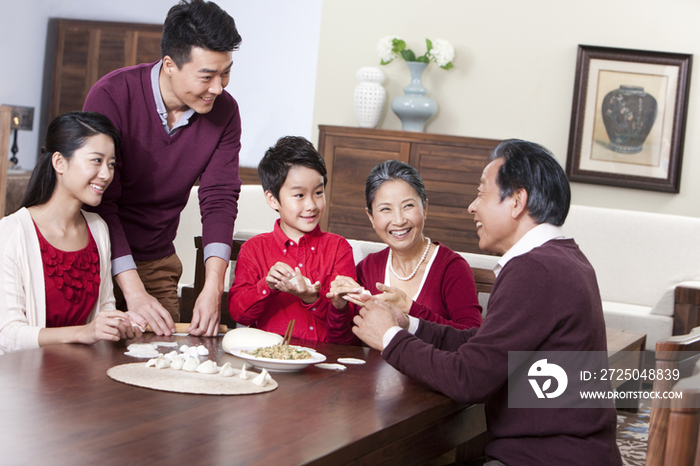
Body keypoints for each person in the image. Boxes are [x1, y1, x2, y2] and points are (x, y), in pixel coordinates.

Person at [352, 139, 622, 466]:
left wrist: (389, 338)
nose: (472, 206)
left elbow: (468, 379)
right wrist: (409, 324)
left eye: (481, 193)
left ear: (517, 201)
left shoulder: (535, 270)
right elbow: (481, 345)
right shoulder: (563, 258)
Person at [83, 0, 242, 337]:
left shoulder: (225, 111)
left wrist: (213, 287)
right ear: (170, 64)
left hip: (156, 261)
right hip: (95, 257)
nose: (218, 87)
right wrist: (133, 293)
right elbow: (102, 202)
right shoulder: (112, 95)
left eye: (225, 72)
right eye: (207, 76)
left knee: (161, 365)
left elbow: (219, 198)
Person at [0, 111, 140, 354]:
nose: (106, 174)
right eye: (96, 160)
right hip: (24, 385)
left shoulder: (97, 228)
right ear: (59, 162)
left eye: (111, 164)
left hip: (82, 379)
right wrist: (83, 333)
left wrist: (119, 325)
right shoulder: (12, 232)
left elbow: (104, 313)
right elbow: (8, 335)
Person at [227, 136, 356, 343]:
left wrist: (311, 298)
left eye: (318, 192)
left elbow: (347, 323)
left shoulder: (338, 248)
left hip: (324, 364)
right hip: (270, 360)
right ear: (273, 199)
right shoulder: (254, 249)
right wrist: (268, 285)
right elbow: (239, 314)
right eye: (299, 195)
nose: (312, 205)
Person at [329, 160, 482, 329]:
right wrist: (339, 308)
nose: (399, 220)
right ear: (371, 217)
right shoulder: (367, 268)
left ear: (425, 208)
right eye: (386, 209)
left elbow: (472, 339)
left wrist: (409, 307)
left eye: (408, 206)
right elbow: (347, 345)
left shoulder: (451, 268)